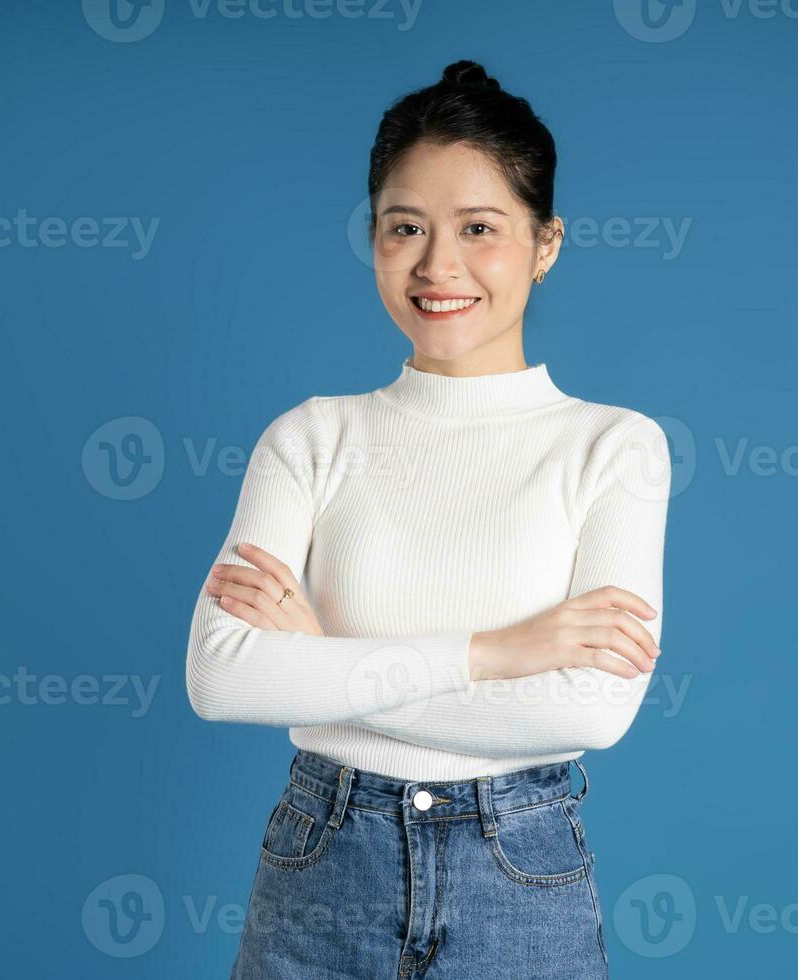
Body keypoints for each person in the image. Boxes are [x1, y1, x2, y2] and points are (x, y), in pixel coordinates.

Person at [186, 58, 671, 979]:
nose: (437, 265)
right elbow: (223, 678)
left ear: (546, 242)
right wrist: (495, 653)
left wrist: (322, 661)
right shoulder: (311, 437)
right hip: (322, 862)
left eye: (479, 229)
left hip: (518, 869)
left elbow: (592, 707)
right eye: (404, 227)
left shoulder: (614, 446)